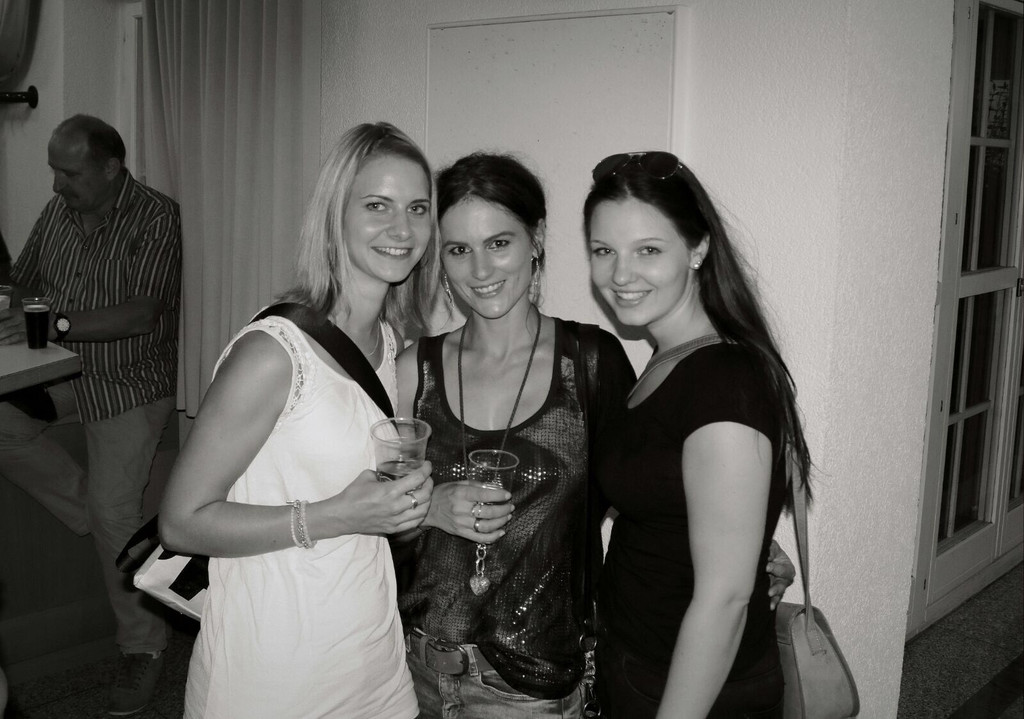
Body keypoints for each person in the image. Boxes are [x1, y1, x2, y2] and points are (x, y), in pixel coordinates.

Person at [394, 153, 795, 718]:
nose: (480, 269)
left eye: (499, 243)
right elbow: (651, 485)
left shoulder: (593, 362)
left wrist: (744, 552)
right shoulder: (414, 369)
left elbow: (657, 503)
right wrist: (429, 506)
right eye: (459, 249)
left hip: (537, 687)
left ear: (535, 240)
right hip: (412, 669)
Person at [158, 122, 437, 719]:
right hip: (273, 671)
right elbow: (180, 522)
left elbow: (364, 500)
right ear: (335, 215)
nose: (402, 229)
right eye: (377, 205)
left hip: (373, 658)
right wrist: (335, 515)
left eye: (417, 208)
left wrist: (421, 504)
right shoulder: (275, 353)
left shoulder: (389, 343)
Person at [583, 151, 813, 718]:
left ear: (698, 248)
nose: (620, 275)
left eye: (648, 250)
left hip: (692, 689)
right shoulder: (669, 358)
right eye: (604, 251)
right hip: (638, 663)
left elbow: (726, 598)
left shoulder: (724, 380)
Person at [0, 115, 181, 716]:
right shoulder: (59, 212)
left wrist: (55, 321)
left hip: (130, 383)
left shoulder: (156, 216)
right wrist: (13, 307)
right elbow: (22, 280)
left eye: (69, 173)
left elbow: (141, 314)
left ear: (110, 168)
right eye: (54, 170)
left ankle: (145, 646)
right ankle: (109, 526)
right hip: (63, 374)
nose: (57, 185)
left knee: (113, 511)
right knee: (3, 428)